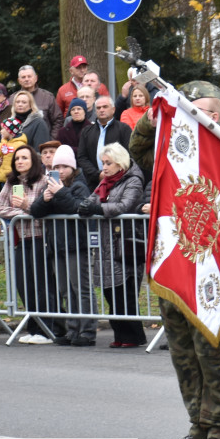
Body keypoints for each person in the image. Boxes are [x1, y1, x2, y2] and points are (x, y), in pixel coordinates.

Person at [128, 81, 220, 439]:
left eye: (190, 110)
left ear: (210, 115)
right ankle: (199, 424)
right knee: (182, 352)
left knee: (211, 351)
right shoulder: (174, 151)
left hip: (212, 266)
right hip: (175, 261)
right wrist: (152, 113)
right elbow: (138, 149)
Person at [77, 142, 147, 349]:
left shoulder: (133, 180)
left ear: (120, 163)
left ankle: (134, 336)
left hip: (125, 243)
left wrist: (96, 208)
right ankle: (120, 333)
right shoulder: (105, 182)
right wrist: (85, 206)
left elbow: (125, 205)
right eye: (103, 163)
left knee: (125, 292)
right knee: (111, 292)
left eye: (108, 163)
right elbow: (91, 200)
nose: (104, 167)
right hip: (106, 243)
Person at [29, 144, 95, 346]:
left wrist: (58, 193)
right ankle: (72, 329)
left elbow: (78, 208)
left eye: (64, 167)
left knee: (81, 288)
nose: (60, 171)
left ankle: (88, 331)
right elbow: (35, 211)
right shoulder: (52, 186)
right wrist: (46, 199)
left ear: (72, 168)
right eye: (56, 167)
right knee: (66, 290)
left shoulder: (79, 186)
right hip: (57, 245)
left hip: (77, 244)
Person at [0, 144, 60, 344]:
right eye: (17, 159)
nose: (20, 162)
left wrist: (27, 207)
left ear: (33, 161)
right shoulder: (14, 182)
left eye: (24, 158)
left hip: (41, 239)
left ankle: (48, 328)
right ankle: (33, 327)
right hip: (23, 239)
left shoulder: (42, 181)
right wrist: (22, 213)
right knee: (25, 285)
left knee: (42, 285)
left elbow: (44, 209)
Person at [78, 95, 132, 190]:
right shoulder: (86, 131)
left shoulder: (124, 129)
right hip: (93, 183)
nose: (101, 110)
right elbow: (82, 157)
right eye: (98, 108)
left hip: (119, 182)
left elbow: (128, 156)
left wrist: (113, 172)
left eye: (105, 107)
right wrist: (98, 174)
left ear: (113, 109)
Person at [17, 65, 62, 138]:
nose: (26, 79)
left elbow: (58, 120)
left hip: (44, 143)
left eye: (29, 76)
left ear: (36, 78)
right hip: (19, 145)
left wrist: (51, 141)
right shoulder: (13, 99)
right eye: (23, 77)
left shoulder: (47, 97)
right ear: (19, 81)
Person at [0, 117, 29, 184]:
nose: (1, 131)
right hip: (3, 179)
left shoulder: (21, 145)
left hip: (16, 180)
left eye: (3, 129)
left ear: (10, 131)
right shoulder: (2, 143)